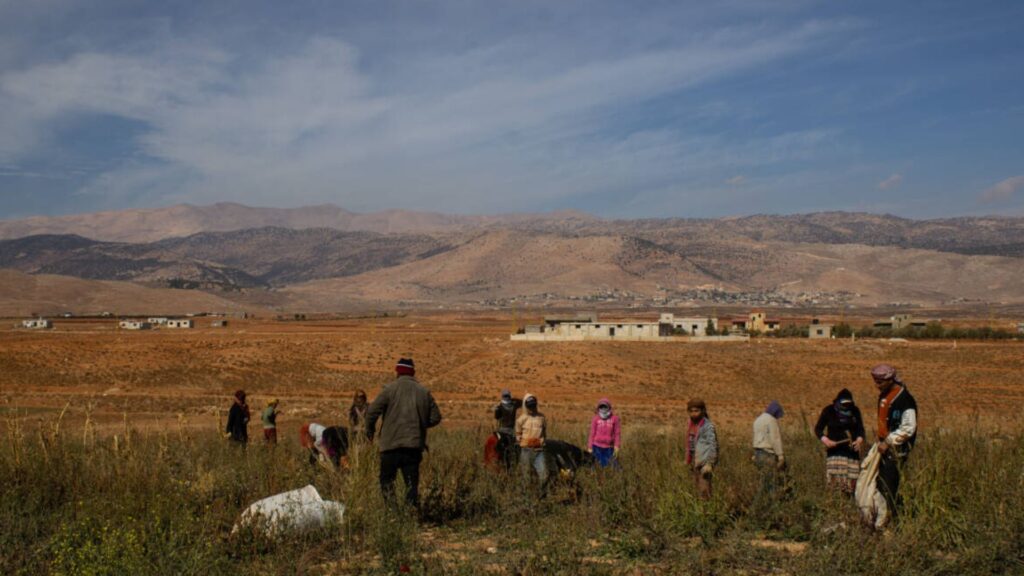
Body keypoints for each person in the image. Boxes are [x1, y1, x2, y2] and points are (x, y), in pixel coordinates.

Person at [365, 358, 443, 508]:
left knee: (387, 481)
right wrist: (418, 425)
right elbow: (436, 417)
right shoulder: (424, 392)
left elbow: (371, 413)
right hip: (413, 446)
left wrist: (370, 432)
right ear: (412, 372)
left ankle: (392, 512)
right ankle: (410, 514)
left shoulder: (389, 389)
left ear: (398, 372)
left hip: (390, 445)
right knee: (411, 484)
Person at [872, 364, 917, 525]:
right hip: (883, 448)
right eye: (875, 381)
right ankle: (881, 518)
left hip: (897, 451)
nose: (877, 385)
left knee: (890, 486)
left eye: (880, 382)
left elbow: (909, 428)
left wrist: (889, 441)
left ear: (890, 380)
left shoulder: (905, 400)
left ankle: (894, 521)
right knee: (880, 484)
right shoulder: (884, 397)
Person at [814, 389, 865, 493]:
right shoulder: (829, 411)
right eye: (844, 404)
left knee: (851, 485)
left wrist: (859, 441)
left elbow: (861, 430)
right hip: (835, 454)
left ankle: (849, 503)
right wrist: (826, 441)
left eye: (848, 404)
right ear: (838, 401)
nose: (846, 406)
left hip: (851, 454)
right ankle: (836, 504)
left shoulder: (855, 411)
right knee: (835, 485)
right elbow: (818, 429)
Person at [685, 399, 718, 499]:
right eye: (691, 411)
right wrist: (688, 460)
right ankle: (698, 511)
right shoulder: (691, 425)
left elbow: (713, 445)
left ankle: (706, 512)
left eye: (696, 411)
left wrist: (710, 463)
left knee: (705, 491)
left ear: (703, 411)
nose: (694, 414)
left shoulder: (708, 426)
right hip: (694, 462)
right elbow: (689, 443)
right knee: (696, 490)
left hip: (704, 463)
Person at [752, 401, 786, 498]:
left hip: (757, 453)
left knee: (763, 481)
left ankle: (760, 506)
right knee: (770, 483)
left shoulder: (758, 420)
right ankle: (769, 507)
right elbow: (775, 439)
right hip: (767, 454)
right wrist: (780, 455)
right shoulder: (771, 420)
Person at [515, 393, 548, 491]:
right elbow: (518, 435)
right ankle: (526, 497)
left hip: (539, 451)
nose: (532, 408)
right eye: (530, 406)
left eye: (533, 405)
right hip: (526, 451)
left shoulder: (542, 418)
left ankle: (540, 494)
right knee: (526, 477)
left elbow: (544, 432)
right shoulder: (521, 420)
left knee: (544, 476)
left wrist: (542, 441)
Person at [587, 398, 621, 469]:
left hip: (609, 447)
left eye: (605, 406)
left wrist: (617, 446)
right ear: (598, 408)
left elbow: (617, 433)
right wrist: (590, 447)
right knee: (595, 465)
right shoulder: (595, 419)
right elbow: (592, 433)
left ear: (609, 407)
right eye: (601, 406)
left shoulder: (615, 419)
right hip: (596, 447)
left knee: (614, 466)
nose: (603, 408)